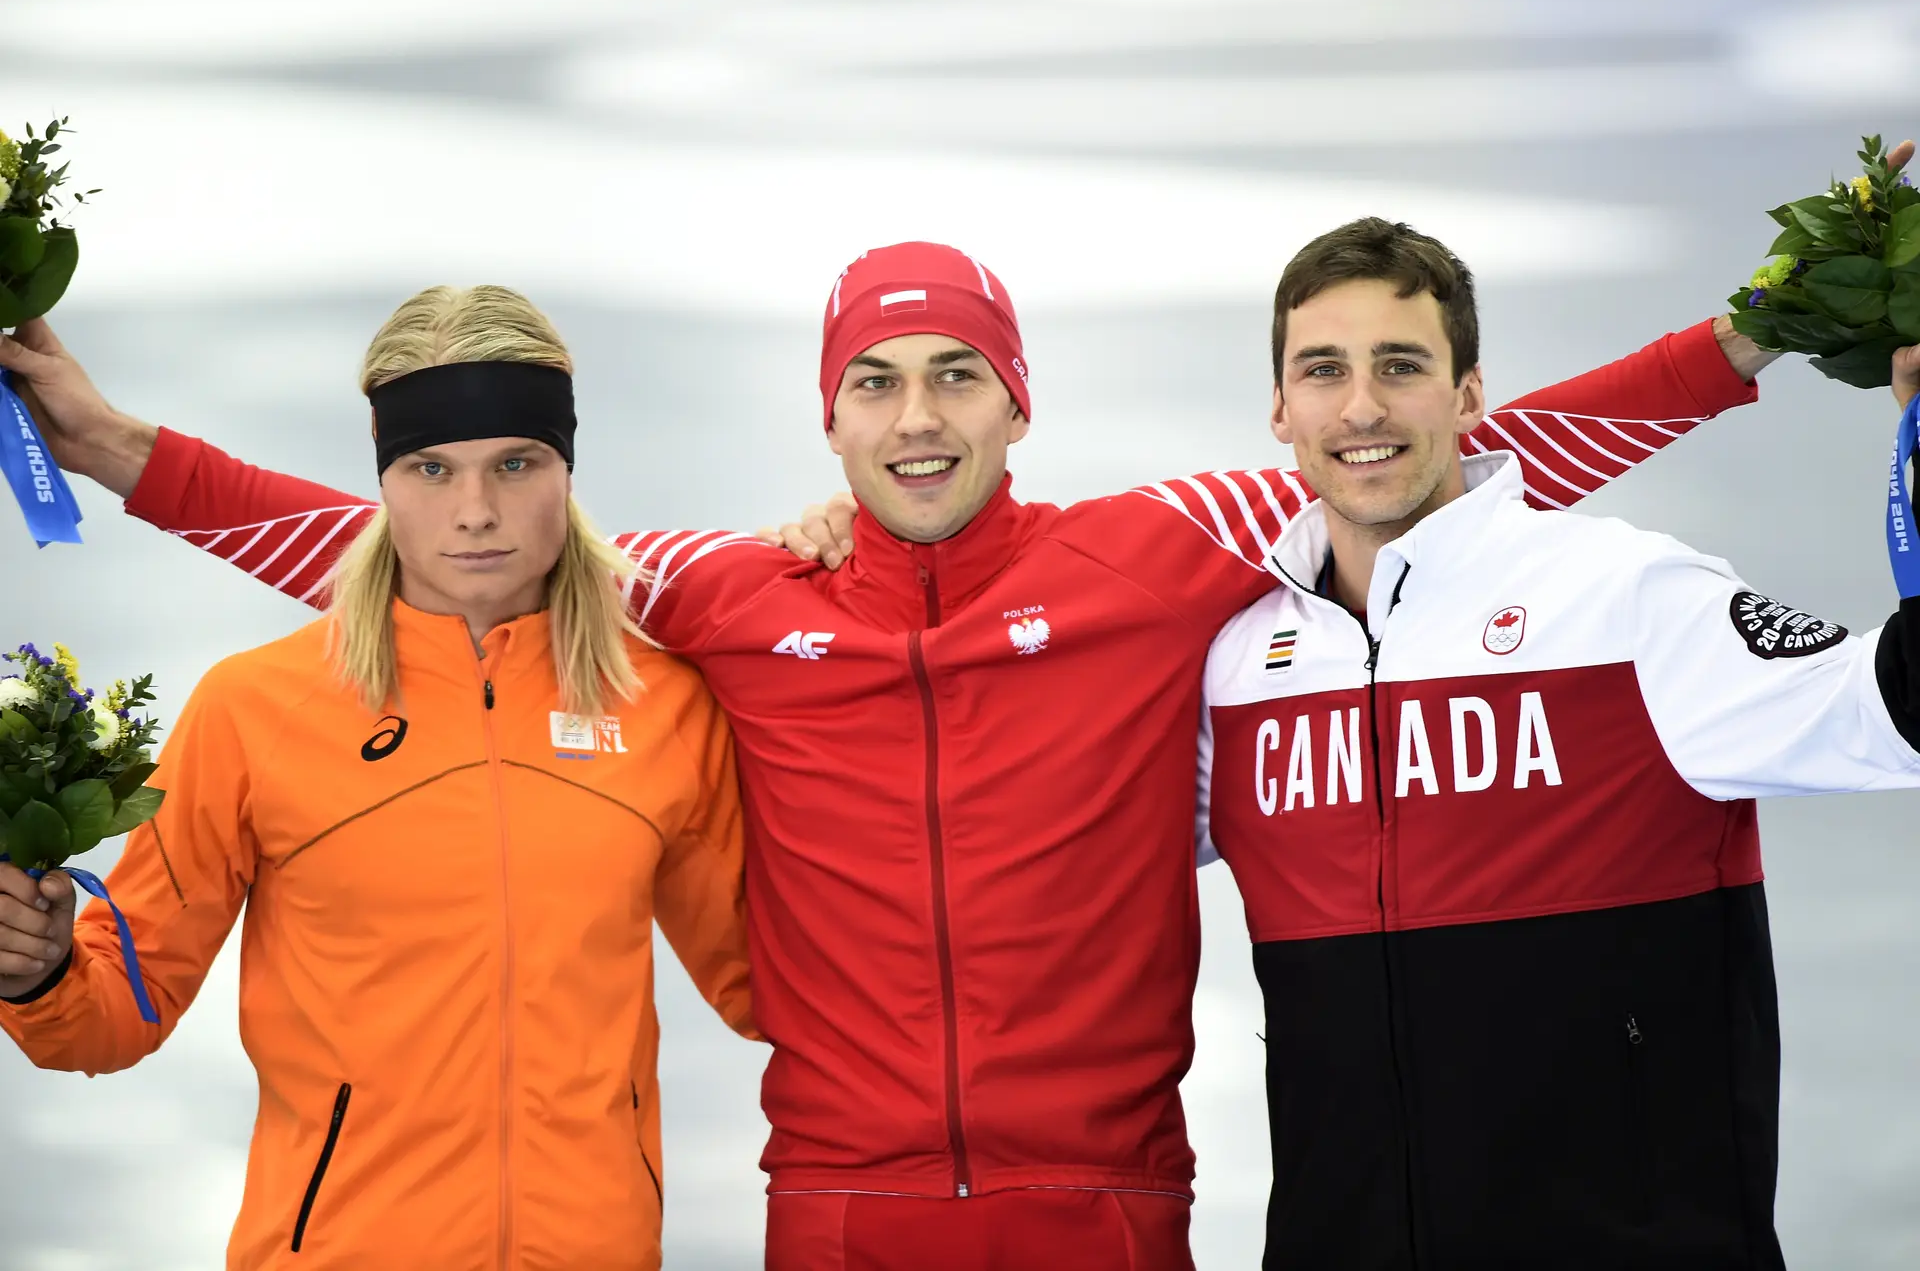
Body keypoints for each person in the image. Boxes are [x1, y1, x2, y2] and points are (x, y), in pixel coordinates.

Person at [0, 246, 1767, 1270]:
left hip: (1109, 1198)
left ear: (1017, 399)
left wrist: (1756, 336)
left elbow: (1453, 448)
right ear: (828, 410)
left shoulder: (1169, 544)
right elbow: (444, 556)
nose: (917, 419)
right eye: (875, 382)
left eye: (956, 378)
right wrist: (114, 445)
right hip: (838, 1203)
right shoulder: (721, 593)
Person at [1197, 218, 1920, 1269]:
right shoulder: (1236, 668)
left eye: (1401, 365)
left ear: (1469, 395)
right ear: (1280, 406)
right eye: (1324, 370)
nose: (1361, 406)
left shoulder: (1625, 601)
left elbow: (1897, 708)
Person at [0, 285, 757, 1271]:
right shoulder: (256, 710)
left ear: (565, 469)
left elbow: (770, 986)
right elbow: (114, 1014)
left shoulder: (662, 708)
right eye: (431, 467)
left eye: (515, 463)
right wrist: (41, 968)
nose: (475, 510)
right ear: (385, 475)